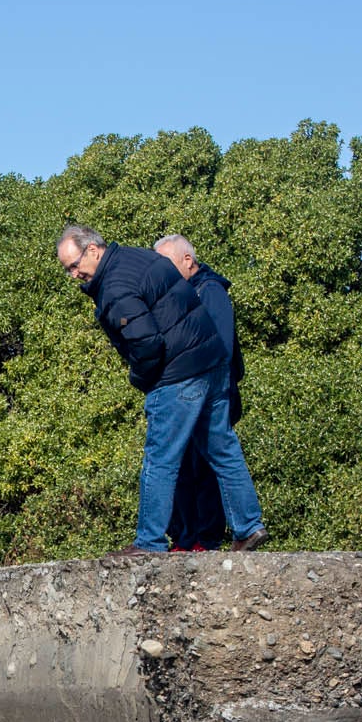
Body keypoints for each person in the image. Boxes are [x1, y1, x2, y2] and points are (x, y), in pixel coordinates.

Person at [53, 224, 267, 554]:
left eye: (74, 265)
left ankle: (149, 542)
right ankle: (248, 526)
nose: (73, 274)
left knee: (161, 458)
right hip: (211, 364)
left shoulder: (114, 286)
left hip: (178, 374)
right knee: (222, 448)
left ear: (93, 251)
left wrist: (141, 378)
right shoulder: (137, 257)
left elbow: (145, 343)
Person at [153, 233, 243, 550]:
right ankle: (184, 536)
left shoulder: (211, 292)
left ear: (188, 261)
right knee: (179, 467)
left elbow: (222, 347)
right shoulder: (176, 298)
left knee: (206, 466)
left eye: (167, 265)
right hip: (182, 394)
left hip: (209, 392)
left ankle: (207, 537)